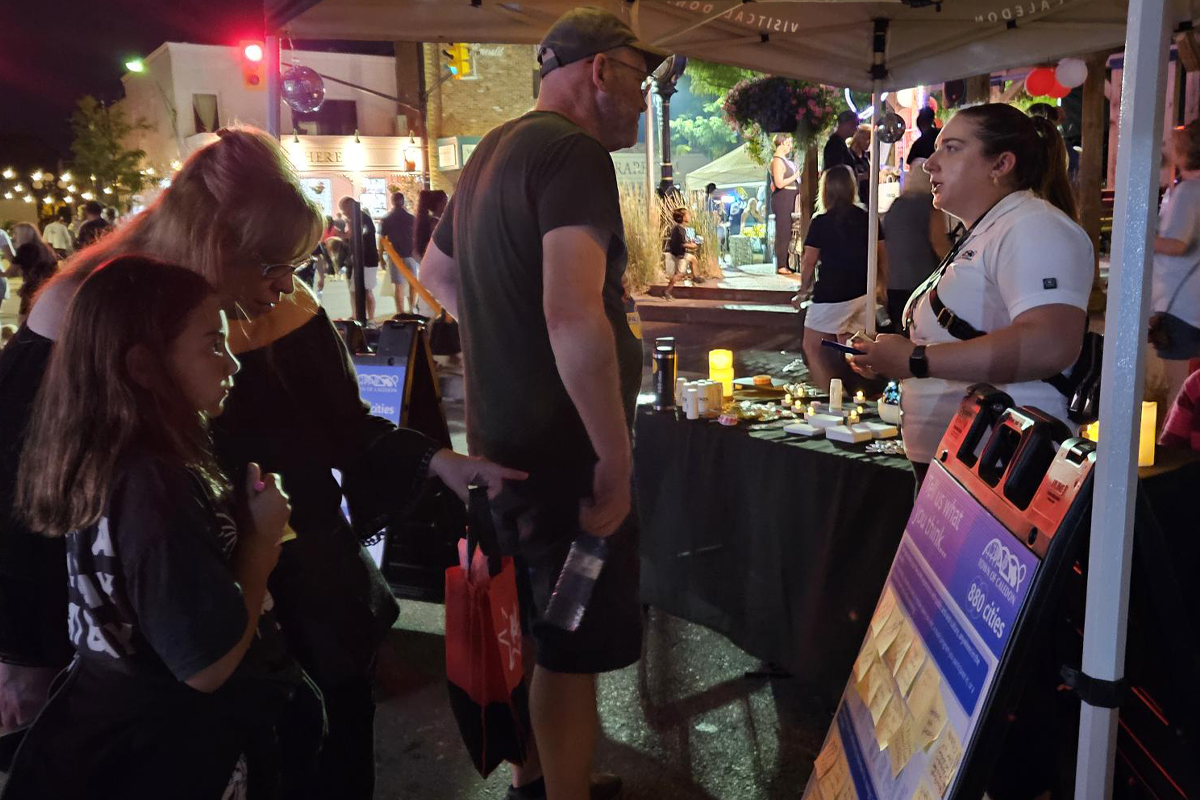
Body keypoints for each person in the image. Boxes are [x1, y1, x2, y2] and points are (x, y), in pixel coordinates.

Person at [0, 126, 525, 799]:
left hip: (306, 610)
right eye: (271, 264)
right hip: (176, 655)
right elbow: (29, 505)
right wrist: (27, 656)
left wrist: (435, 462)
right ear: (216, 245)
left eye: (296, 264)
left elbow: (343, 428)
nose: (287, 284)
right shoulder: (89, 317)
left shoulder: (282, 306)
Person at [422, 8, 658, 800]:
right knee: (566, 642)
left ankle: (537, 778)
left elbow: (439, 275)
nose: (642, 96)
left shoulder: (495, 148)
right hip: (565, 455)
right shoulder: (573, 153)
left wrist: (506, 332)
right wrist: (615, 458)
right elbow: (571, 312)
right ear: (600, 71)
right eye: (638, 78)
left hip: (499, 442)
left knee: (521, 621)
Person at [4, 256, 300, 798]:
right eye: (214, 345)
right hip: (176, 754)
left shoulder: (102, 459)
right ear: (142, 367)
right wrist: (259, 544)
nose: (232, 363)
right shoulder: (153, 484)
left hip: (113, 734)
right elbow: (205, 666)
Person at [848, 103, 1092, 488]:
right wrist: (892, 357)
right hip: (965, 464)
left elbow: (1050, 343)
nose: (930, 163)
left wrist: (914, 360)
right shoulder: (987, 230)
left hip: (1002, 468)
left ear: (1001, 164)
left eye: (952, 147)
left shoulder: (1032, 225)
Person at [799, 166, 886, 388]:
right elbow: (882, 255)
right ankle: (872, 392)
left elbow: (809, 261)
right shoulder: (868, 218)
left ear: (825, 190)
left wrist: (803, 289)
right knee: (852, 345)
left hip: (832, 293)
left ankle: (831, 400)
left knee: (812, 346)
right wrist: (882, 284)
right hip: (862, 291)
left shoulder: (821, 221)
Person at [1149, 120, 1200, 409]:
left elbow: (1177, 245)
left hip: (1182, 308)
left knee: (1181, 394)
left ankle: (1175, 450)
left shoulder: (1188, 192)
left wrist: (1138, 236)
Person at [883, 166, 952, 331]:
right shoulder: (929, 205)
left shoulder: (895, 206)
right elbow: (939, 243)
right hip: (921, 281)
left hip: (894, 282)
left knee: (901, 332)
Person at [4, 223, 60, 324]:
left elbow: (11, 272)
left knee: (23, 319)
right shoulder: (45, 247)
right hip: (49, 286)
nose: (14, 236)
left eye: (16, 233)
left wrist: (2, 273)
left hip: (31, 287)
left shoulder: (25, 249)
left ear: (23, 235)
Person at [337, 195, 379, 320]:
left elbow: (356, 234)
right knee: (354, 290)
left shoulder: (362, 218)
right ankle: (356, 315)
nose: (344, 213)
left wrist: (342, 234)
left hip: (367, 260)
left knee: (366, 290)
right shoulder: (355, 218)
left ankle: (370, 318)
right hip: (356, 259)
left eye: (344, 209)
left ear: (350, 206)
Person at [380, 192, 419, 314]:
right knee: (413, 283)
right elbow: (416, 237)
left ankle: (400, 312)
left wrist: (380, 255)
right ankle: (412, 308)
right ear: (403, 202)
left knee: (398, 285)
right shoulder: (411, 218)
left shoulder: (386, 219)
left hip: (395, 256)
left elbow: (381, 239)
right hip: (411, 254)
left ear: (392, 202)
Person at [769, 133, 800, 274]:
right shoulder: (777, 161)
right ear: (782, 143)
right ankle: (781, 264)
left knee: (788, 231)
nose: (790, 147)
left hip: (791, 196)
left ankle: (786, 262)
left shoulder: (786, 160)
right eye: (789, 143)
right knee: (783, 231)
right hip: (783, 198)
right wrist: (794, 176)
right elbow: (779, 183)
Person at [663, 207, 699, 300]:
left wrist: (691, 243)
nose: (689, 216)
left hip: (681, 254)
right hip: (679, 255)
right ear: (682, 217)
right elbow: (681, 244)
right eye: (687, 215)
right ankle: (667, 291)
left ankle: (695, 277)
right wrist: (691, 246)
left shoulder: (681, 228)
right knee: (680, 274)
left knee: (693, 259)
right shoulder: (678, 229)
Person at [414, 189, 448, 259]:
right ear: (439, 205)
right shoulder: (436, 225)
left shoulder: (431, 222)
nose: (447, 206)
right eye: (445, 203)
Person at [848, 125, 872, 204]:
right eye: (866, 139)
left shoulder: (866, 157)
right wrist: (860, 177)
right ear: (859, 138)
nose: (868, 143)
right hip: (854, 200)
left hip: (867, 199)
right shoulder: (848, 155)